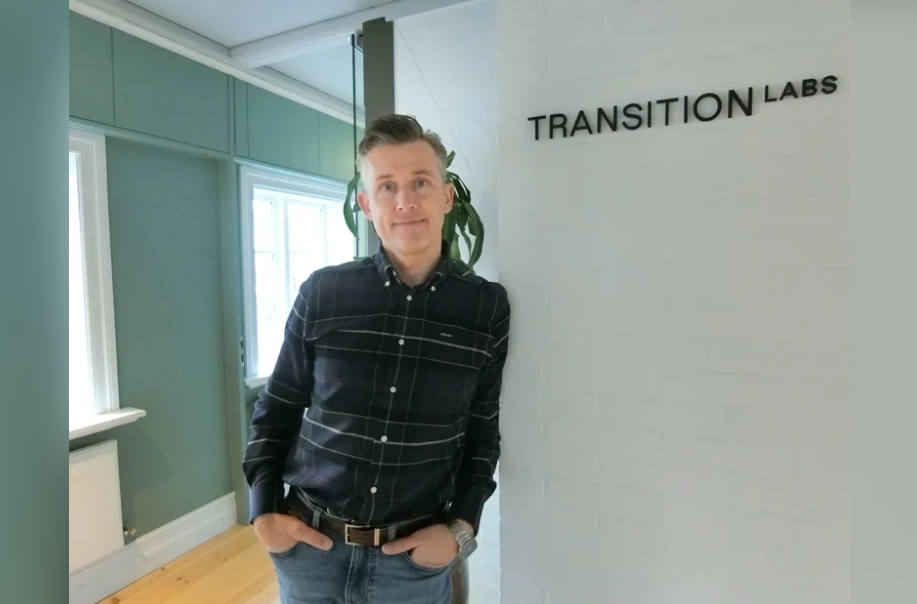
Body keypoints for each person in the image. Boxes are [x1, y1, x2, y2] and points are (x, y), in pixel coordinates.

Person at [242, 113, 511, 604]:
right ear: (367, 204)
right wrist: (263, 512)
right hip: (310, 551)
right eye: (387, 187)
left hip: (411, 567)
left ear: (446, 196)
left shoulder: (485, 307)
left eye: (420, 182)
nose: (405, 201)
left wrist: (461, 529)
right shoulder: (323, 293)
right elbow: (276, 408)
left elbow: (481, 431)